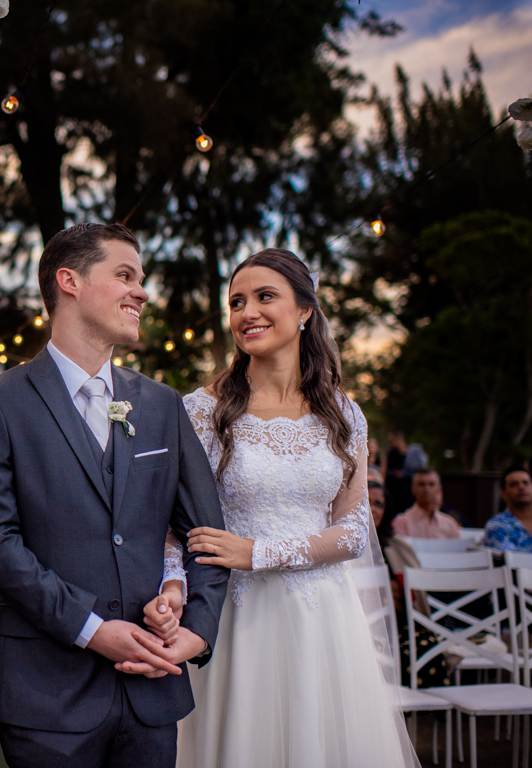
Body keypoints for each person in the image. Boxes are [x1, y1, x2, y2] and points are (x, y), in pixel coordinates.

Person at [0, 223, 229, 768]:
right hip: (43, 691)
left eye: (142, 279)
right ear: (69, 281)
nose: (142, 292)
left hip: (153, 687)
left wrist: (195, 632)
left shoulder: (161, 406)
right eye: (124, 275)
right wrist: (92, 630)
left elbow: (207, 538)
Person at [174, 248, 418, 767]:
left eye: (265, 297)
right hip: (236, 615)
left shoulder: (344, 414)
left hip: (321, 617)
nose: (247, 313)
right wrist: (175, 584)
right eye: (237, 302)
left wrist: (258, 552)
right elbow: (175, 523)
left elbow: (352, 531)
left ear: (305, 310)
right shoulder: (202, 411)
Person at [392, 468, 460, 539]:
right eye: (421, 484)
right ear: (412, 489)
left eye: (431, 484)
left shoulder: (449, 524)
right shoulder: (402, 522)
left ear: (439, 489)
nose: (426, 488)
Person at [484, 466, 532, 552]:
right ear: (503, 494)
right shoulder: (497, 526)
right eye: (514, 484)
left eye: (526, 483)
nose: (521, 487)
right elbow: (511, 560)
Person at [385, 431, 413, 513]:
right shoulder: (391, 454)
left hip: (407, 491)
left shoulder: (410, 454)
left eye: (392, 441)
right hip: (394, 491)